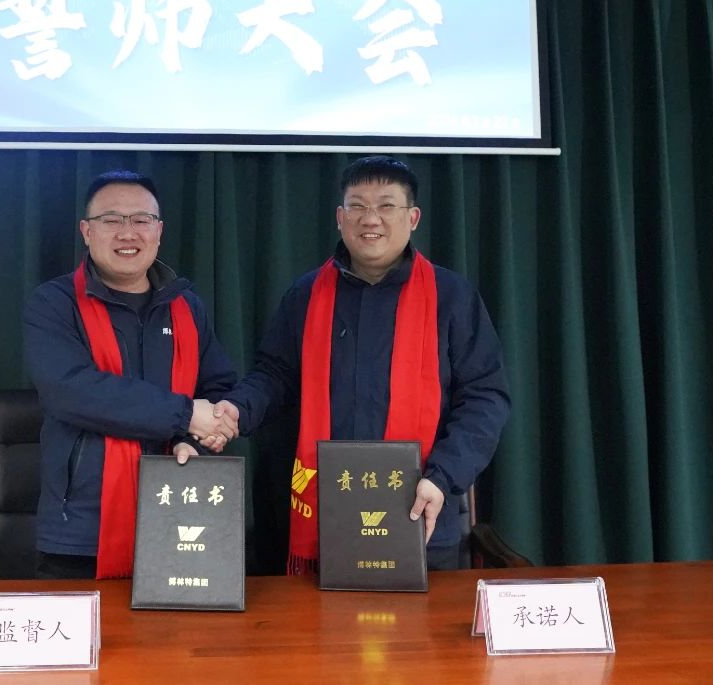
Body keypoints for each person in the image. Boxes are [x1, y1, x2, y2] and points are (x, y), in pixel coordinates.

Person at [208, 156, 510, 573]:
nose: (371, 219)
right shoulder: (306, 295)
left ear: (413, 218)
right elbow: (273, 376)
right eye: (358, 206)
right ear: (340, 217)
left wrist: (443, 476)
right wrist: (235, 411)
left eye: (386, 205)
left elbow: (485, 398)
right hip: (325, 513)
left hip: (422, 508)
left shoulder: (452, 296)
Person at [23, 170, 238, 580]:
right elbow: (71, 391)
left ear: (159, 231)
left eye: (141, 220)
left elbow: (218, 389)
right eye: (111, 220)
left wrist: (193, 440)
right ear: (87, 231)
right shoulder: (54, 304)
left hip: (181, 517)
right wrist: (184, 415)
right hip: (81, 532)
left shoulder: (187, 307)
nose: (128, 232)